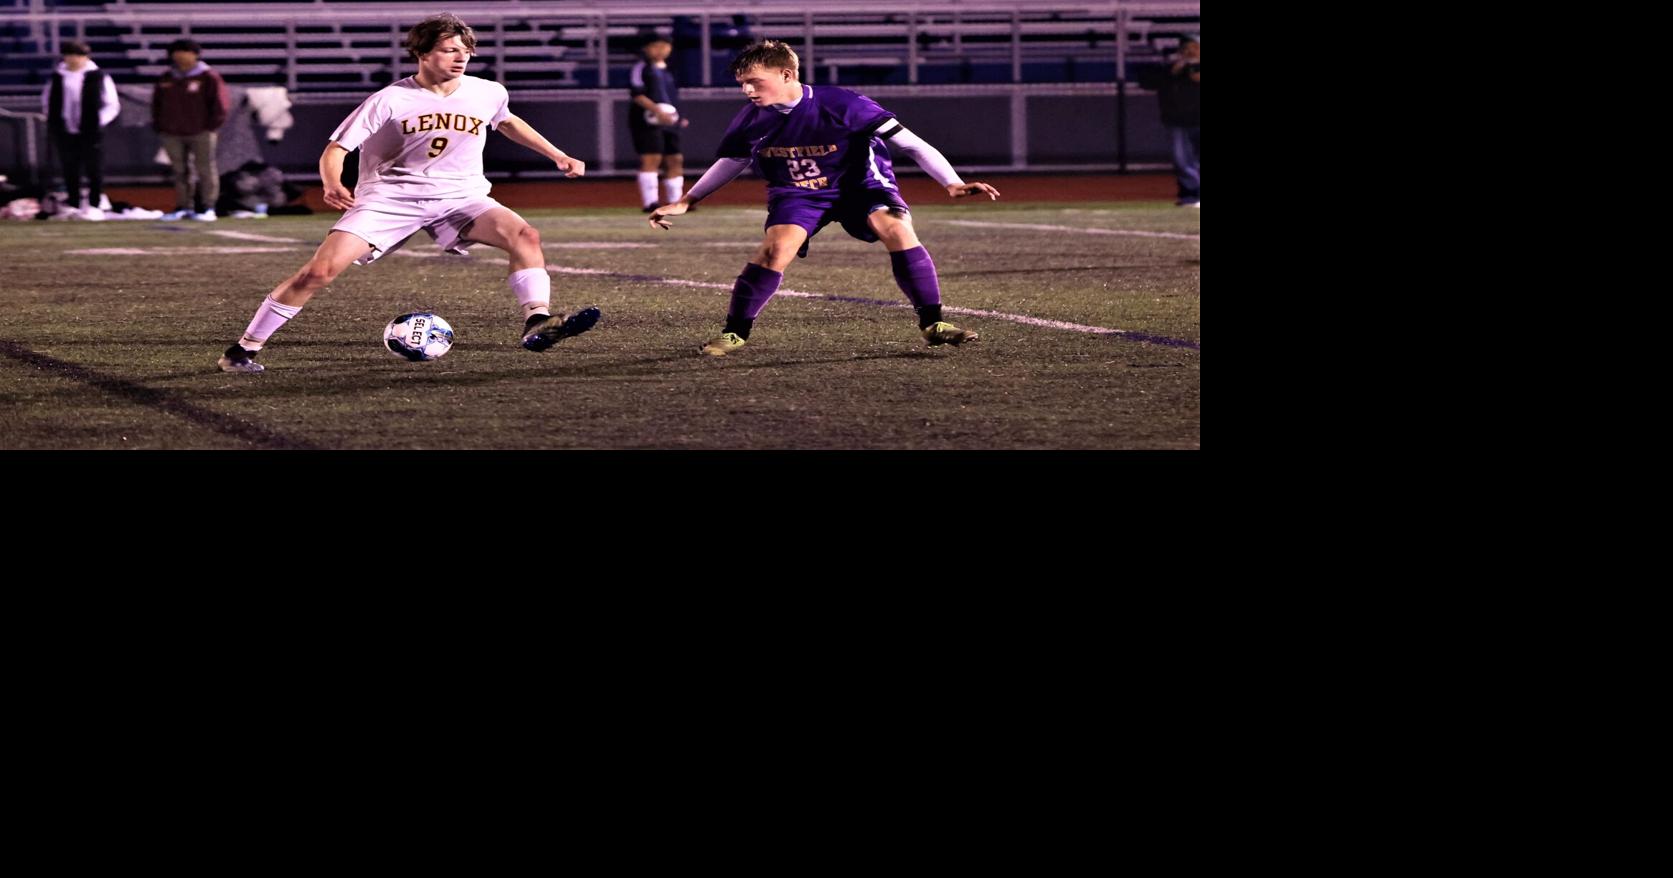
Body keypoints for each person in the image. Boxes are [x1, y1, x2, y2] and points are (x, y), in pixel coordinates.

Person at [215, 13, 599, 374]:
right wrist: (333, 183)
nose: (461, 57)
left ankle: (537, 320)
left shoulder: (488, 92)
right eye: (450, 49)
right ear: (422, 53)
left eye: (466, 50)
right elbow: (336, 149)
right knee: (319, 271)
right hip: (389, 199)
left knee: (524, 236)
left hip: (460, 196)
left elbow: (507, 121)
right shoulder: (390, 99)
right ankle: (244, 349)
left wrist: (557, 154)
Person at [649, 40, 999, 357]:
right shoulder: (751, 119)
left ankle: (933, 324)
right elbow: (734, 160)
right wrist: (689, 199)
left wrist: (952, 183)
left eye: (755, 81)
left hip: (859, 187)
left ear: (787, 75)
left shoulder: (843, 103)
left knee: (895, 228)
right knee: (775, 250)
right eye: (742, 83)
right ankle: (735, 333)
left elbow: (910, 143)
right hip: (797, 193)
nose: (747, 90)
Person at [42, 40, 120, 220]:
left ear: (86, 57)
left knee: (94, 168)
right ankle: (73, 203)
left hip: (90, 130)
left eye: (78, 56)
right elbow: (47, 101)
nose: (74, 59)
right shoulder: (57, 76)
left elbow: (112, 104)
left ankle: (94, 204)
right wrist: (56, 120)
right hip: (65, 129)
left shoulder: (98, 76)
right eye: (70, 55)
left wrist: (96, 122)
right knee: (70, 167)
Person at [152, 38, 229, 221]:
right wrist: (161, 125)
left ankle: (208, 207)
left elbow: (220, 104)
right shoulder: (167, 77)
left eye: (184, 51)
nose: (179, 56)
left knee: (205, 168)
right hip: (172, 132)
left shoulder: (208, 76)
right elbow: (157, 105)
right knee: (179, 171)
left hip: (202, 131)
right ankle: (183, 206)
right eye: (176, 52)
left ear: (194, 54)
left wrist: (212, 126)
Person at [628, 35, 690, 211]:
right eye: (656, 46)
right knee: (652, 157)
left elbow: (672, 96)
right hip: (647, 121)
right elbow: (637, 94)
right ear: (646, 48)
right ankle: (650, 203)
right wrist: (657, 111)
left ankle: (677, 201)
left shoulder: (669, 70)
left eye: (665, 46)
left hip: (669, 121)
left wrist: (679, 116)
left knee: (675, 159)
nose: (661, 50)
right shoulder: (642, 68)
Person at [1156, 35, 1199, 208]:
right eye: (1186, 48)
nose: (1190, 51)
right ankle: (1191, 196)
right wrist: (1176, 70)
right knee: (1182, 160)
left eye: (1195, 47)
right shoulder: (1172, 69)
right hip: (1178, 121)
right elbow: (1151, 81)